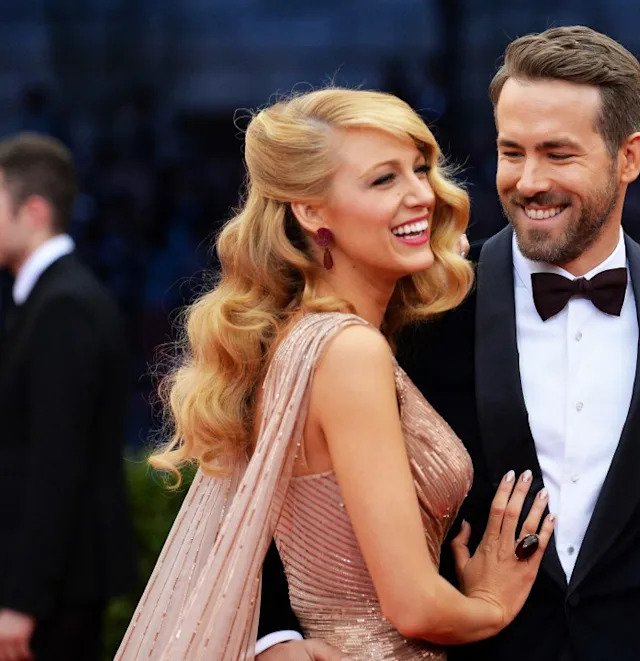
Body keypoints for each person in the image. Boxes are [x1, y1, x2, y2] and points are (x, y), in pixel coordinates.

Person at [258, 26, 640, 661]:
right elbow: (295, 492)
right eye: (512, 152)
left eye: (558, 154)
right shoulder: (423, 305)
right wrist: (276, 642)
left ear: (629, 157)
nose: (527, 181)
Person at [115, 88, 555, 660]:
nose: (421, 195)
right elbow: (413, 607)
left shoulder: (300, 339)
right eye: (383, 181)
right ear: (312, 211)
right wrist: (490, 604)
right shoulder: (348, 353)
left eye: (419, 170)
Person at [0, 132, 137, 661]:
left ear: (33, 210)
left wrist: (22, 601)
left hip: (57, 593)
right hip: (51, 585)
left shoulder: (65, 306)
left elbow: (56, 467)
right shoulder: (42, 299)